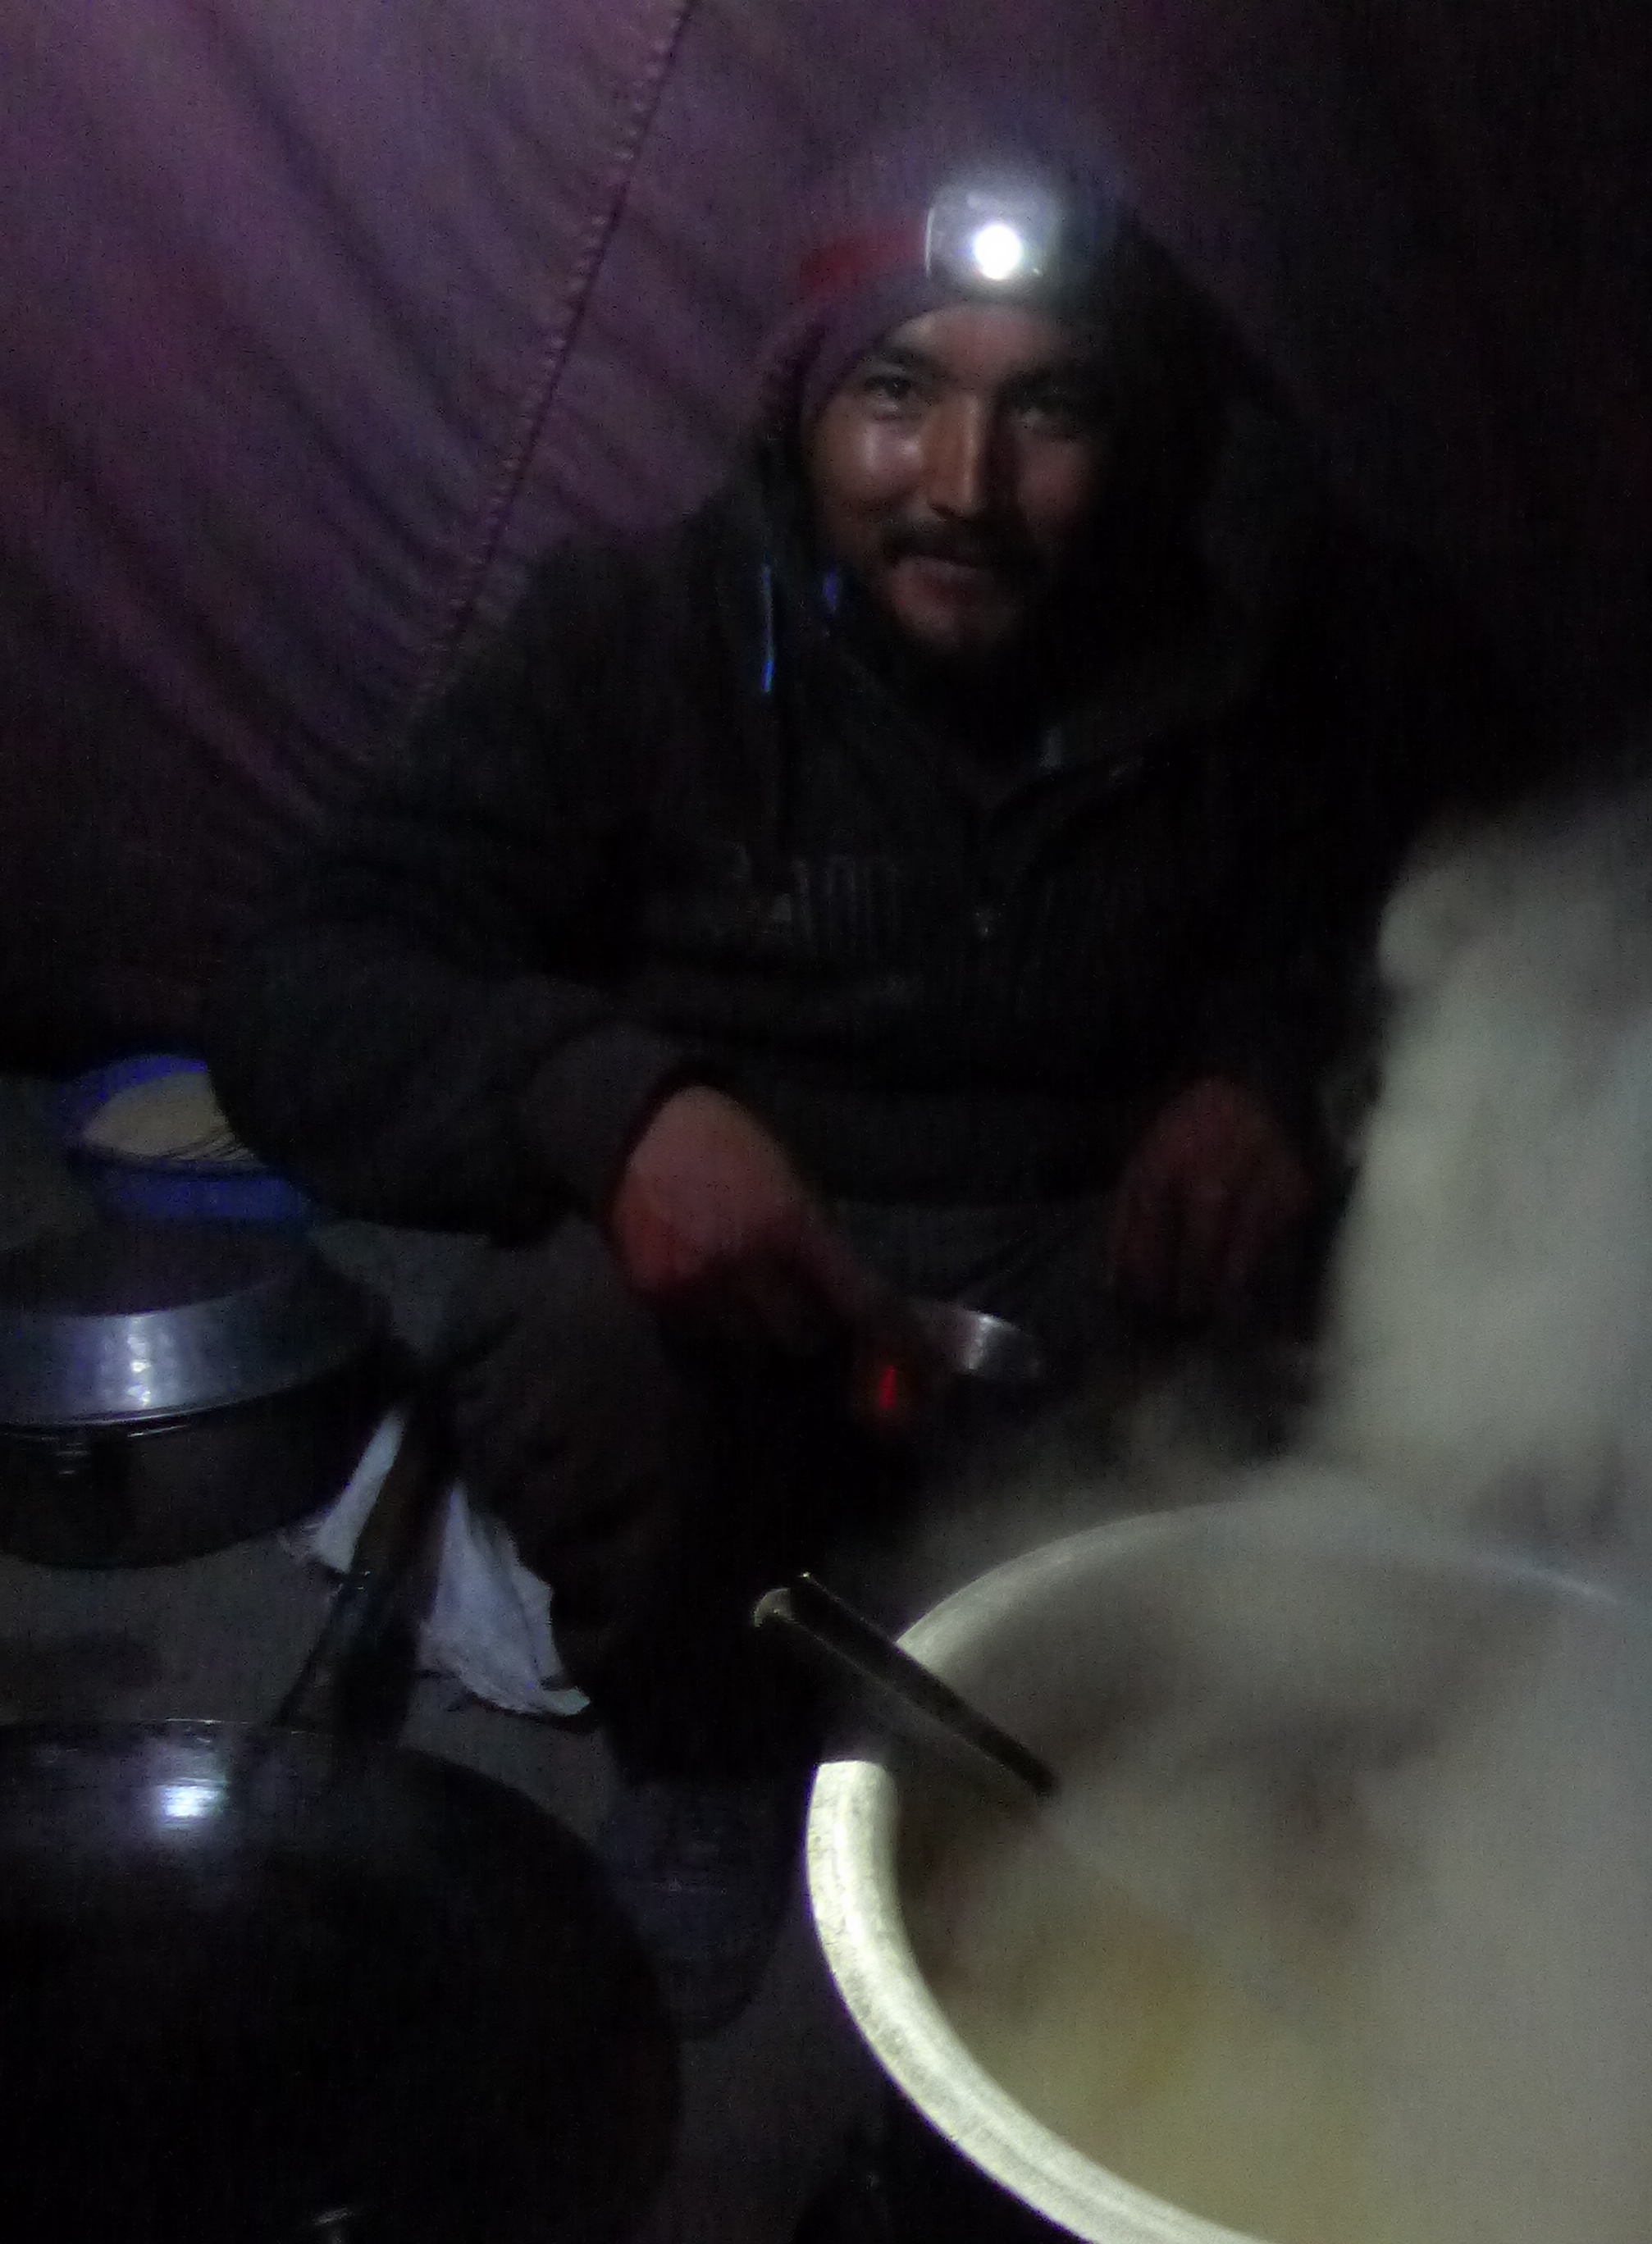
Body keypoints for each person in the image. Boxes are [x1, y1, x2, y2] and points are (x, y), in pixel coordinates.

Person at [206, 122, 1514, 2025]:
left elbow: (1491, 902)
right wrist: (618, 1106)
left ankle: (1162, 1734)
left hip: (1094, 1263)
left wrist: (1274, 1074)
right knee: (576, 1346)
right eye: (898, 393)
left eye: (1048, 409)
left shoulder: (1274, 644)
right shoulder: (635, 640)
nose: (965, 487)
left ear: (1136, 435)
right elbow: (301, 983)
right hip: (760, 1276)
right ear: (803, 412)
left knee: (1395, 1325)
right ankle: (716, 1756)